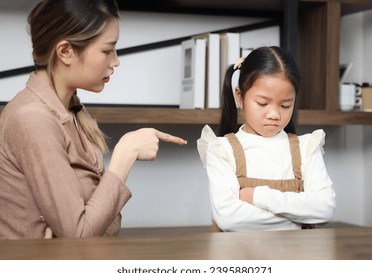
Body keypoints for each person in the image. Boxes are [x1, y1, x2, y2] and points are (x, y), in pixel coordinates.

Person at [0, 0, 187, 239]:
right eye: (107, 50)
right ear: (65, 51)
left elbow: (106, 226)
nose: (116, 61)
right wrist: (125, 154)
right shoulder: (33, 118)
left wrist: (92, 212)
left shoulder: (72, 110)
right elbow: (80, 236)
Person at [197, 46, 336, 232]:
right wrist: (299, 220)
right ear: (240, 96)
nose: (274, 114)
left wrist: (256, 196)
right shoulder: (222, 149)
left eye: (286, 105)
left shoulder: (307, 147)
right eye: (262, 103)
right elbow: (229, 219)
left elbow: (324, 209)